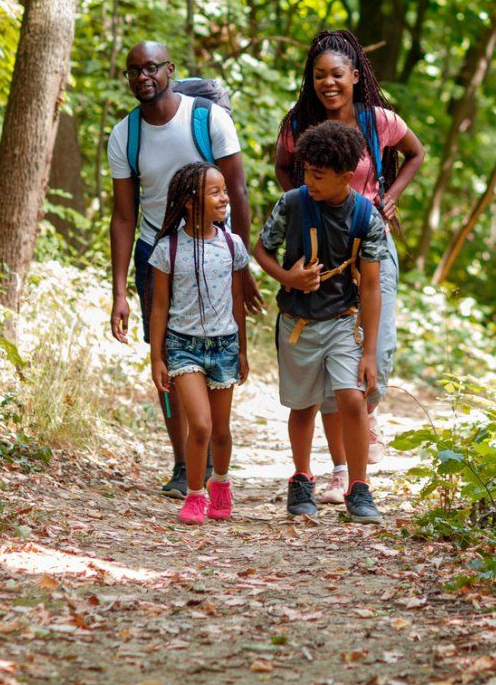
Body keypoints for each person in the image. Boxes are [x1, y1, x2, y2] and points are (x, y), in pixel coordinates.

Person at [274, 28, 424, 503]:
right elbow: (283, 168)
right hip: (321, 249)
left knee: (375, 353)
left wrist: (390, 198)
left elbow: (416, 153)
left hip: (370, 243)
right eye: (319, 75)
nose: (328, 83)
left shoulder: (379, 120)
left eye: (337, 74)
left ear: (355, 76)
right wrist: (300, 202)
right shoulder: (298, 123)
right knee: (329, 357)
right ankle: (342, 471)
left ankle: (366, 414)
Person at [107, 41, 261, 497]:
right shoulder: (125, 134)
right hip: (159, 251)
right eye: (133, 71)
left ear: (170, 69)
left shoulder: (208, 119)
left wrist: (244, 262)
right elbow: (123, 216)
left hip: (215, 249)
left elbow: (238, 190)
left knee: (218, 343)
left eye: (151, 67)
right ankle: (182, 462)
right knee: (168, 353)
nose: (142, 77)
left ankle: (212, 449)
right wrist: (118, 291)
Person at [255, 121, 391, 524]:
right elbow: (261, 250)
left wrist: (369, 351)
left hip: (342, 321)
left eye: (319, 175)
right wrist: (288, 278)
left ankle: (359, 488)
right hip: (298, 321)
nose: (309, 181)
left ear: (346, 178)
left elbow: (370, 286)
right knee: (304, 405)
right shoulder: (292, 203)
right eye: (306, 172)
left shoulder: (367, 218)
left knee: (352, 398)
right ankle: (301, 478)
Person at [147, 161, 249, 524]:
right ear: (191, 201)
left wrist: (242, 349)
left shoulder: (232, 245)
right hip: (182, 346)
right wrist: (156, 356)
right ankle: (195, 494)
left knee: (221, 432)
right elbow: (159, 307)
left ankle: (221, 483)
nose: (224, 199)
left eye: (225, 191)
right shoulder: (167, 249)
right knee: (201, 425)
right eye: (215, 192)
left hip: (223, 346)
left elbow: (237, 300)